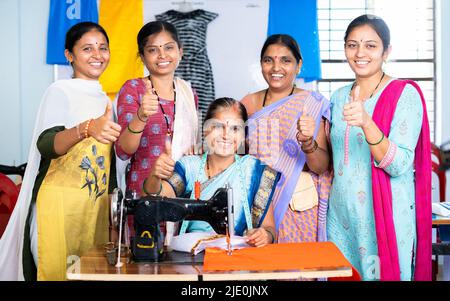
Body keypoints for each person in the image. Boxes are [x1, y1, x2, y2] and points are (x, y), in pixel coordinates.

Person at [0, 22, 121, 281]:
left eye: (103, 48)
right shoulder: (60, 91)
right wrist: (87, 128)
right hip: (58, 209)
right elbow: (46, 144)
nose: (97, 55)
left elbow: (107, 163)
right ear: (69, 55)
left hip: (93, 211)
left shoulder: (104, 99)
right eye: (87, 48)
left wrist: (113, 218)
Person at [326, 14, 431, 281]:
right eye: (352, 44)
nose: (360, 53)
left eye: (370, 45)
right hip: (341, 221)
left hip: (384, 220)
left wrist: (366, 121)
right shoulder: (337, 97)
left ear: (387, 51)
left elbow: (398, 165)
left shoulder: (404, 95)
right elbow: (332, 162)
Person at [143, 98, 280, 247]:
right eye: (218, 127)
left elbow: (270, 228)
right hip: (191, 258)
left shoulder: (253, 170)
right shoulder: (189, 167)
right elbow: (153, 198)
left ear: (243, 136)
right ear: (205, 130)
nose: (226, 135)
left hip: (238, 259)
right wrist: (155, 176)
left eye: (235, 129)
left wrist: (265, 235)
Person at [241, 34, 332, 244]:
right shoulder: (248, 103)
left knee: (298, 271)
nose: (276, 67)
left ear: (298, 65)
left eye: (286, 60)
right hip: (258, 203)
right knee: (261, 272)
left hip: (298, 206)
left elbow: (321, 167)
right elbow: (231, 154)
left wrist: (308, 142)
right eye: (268, 60)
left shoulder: (311, 103)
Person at [115, 21, 199, 240]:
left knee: (180, 264)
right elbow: (124, 150)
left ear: (180, 51)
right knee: (145, 261)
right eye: (153, 50)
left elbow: (193, 147)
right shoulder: (133, 89)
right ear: (142, 56)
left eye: (169, 47)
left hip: (182, 191)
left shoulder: (189, 94)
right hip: (144, 191)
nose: (162, 55)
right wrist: (142, 116)